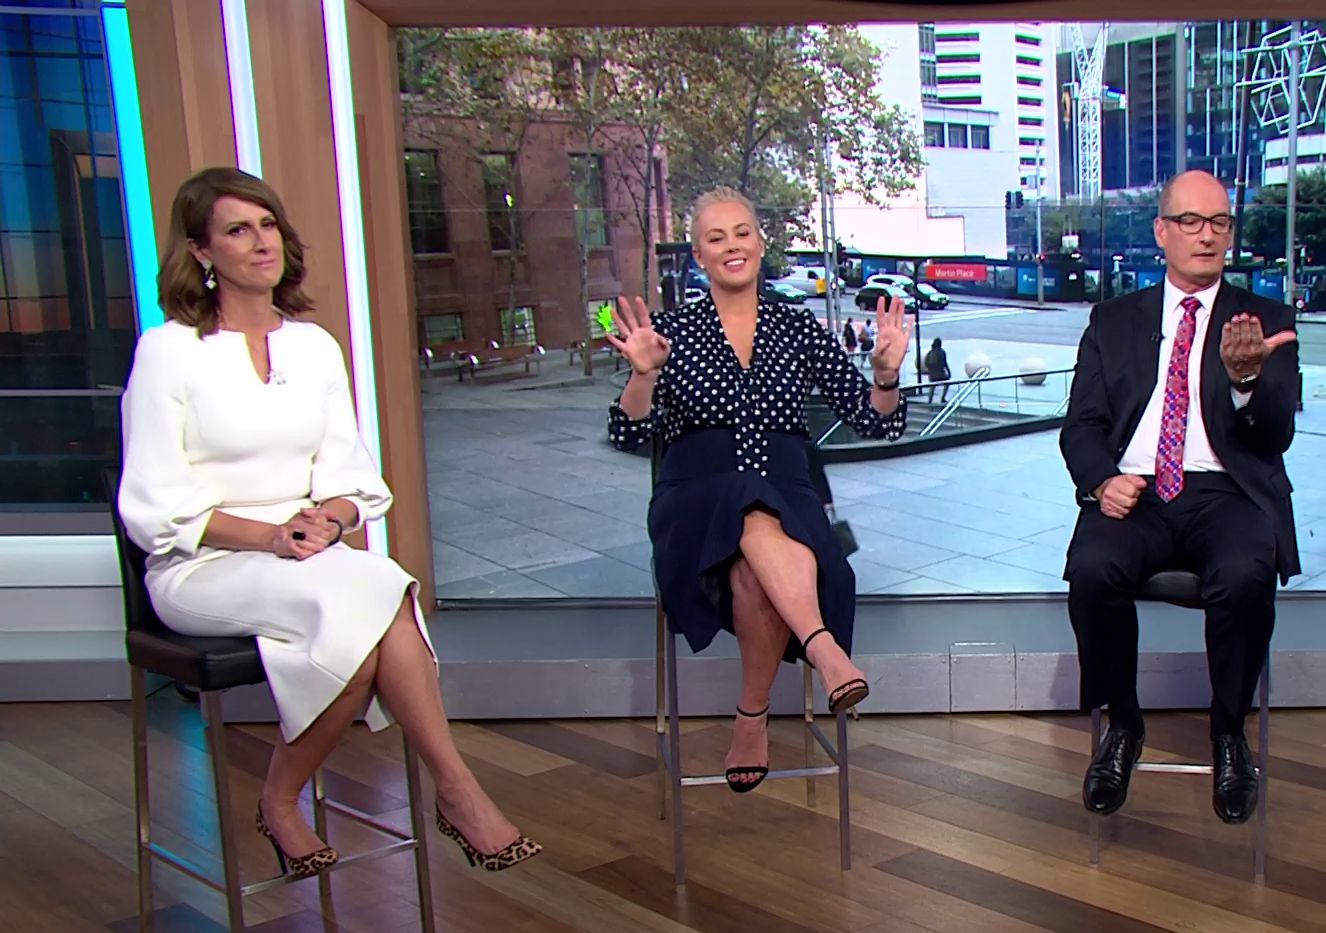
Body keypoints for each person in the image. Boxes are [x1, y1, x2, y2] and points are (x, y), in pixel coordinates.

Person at [118, 167, 539, 875]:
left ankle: (299, 799)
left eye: (268, 225)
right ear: (200, 251)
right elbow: (153, 504)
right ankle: (447, 791)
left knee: (372, 595)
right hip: (203, 563)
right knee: (373, 602)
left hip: (308, 556)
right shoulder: (169, 351)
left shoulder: (313, 346)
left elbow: (350, 477)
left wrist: (330, 521)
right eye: (238, 230)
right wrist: (269, 536)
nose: (262, 242)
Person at [605, 188, 909, 793]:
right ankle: (823, 647)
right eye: (716, 238)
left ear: (761, 243)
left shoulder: (796, 327)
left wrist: (885, 376)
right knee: (745, 496)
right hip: (695, 497)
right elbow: (628, 431)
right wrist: (643, 375)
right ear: (698, 255)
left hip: (786, 492)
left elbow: (875, 421)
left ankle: (751, 718)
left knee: (753, 565)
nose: (732, 246)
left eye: (742, 233)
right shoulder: (671, 332)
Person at [1061, 170, 1302, 825]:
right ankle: (1124, 725)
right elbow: (1081, 425)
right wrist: (1102, 481)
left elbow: (1276, 435)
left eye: (1219, 222)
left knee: (1246, 576)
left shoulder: (1265, 321)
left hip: (1228, 492)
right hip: (1136, 489)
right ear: (1161, 232)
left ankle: (1228, 732)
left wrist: (1247, 382)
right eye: (1190, 222)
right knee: (1092, 569)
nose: (1206, 235)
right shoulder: (1114, 320)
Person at [918, 336, 951, 403]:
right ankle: (943, 398)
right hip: (941, 375)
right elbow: (945, 363)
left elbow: (926, 363)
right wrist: (949, 372)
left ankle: (930, 400)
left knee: (932, 387)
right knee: (947, 383)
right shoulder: (942, 352)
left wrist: (930, 370)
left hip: (932, 375)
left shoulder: (930, 352)